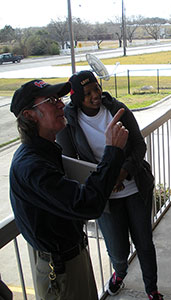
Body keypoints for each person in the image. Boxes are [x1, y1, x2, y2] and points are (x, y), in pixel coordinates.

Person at [9, 79, 129, 300]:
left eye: (59, 99)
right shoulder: (32, 166)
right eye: (51, 100)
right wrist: (111, 151)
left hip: (72, 257)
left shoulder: (47, 152)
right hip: (60, 269)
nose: (61, 105)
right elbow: (87, 204)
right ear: (29, 115)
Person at [56, 70, 163, 300]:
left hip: (135, 188)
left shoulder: (117, 109)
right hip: (103, 198)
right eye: (87, 93)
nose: (95, 95)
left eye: (96, 88)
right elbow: (69, 160)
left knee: (144, 243)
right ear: (76, 99)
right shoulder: (69, 121)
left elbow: (138, 146)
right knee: (119, 250)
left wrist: (122, 173)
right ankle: (120, 273)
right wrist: (103, 182)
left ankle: (152, 289)